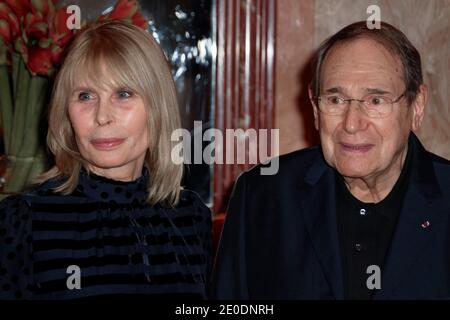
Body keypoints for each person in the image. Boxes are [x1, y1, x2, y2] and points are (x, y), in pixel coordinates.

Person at [211, 21, 450, 299]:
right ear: (315, 108)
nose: (351, 124)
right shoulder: (263, 196)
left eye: (375, 101)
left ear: (416, 107)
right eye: (336, 100)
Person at [0, 20, 211, 300]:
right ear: (66, 112)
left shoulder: (191, 216)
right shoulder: (22, 221)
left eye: (123, 94)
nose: (102, 116)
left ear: (157, 107)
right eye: (85, 96)